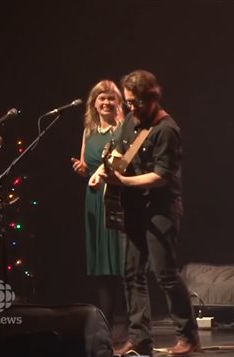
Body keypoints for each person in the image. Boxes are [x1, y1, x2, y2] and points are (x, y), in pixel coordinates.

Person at [89, 69, 199, 356]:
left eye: (137, 103)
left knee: (165, 274)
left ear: (152, 99)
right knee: (132, 273)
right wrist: (103, 172)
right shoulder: (129, 122)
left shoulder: (166, 129)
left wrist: (124, 182)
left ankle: (188, 335)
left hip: (161, 208)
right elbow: (119, 154)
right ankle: (140, 340)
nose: (132, 108)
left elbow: (161, 176)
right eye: (129, 102)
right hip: (135, 209)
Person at [70, 80, 126, 332]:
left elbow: (124, 164)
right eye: (101, 98)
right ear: (94, 103)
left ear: (118, 102)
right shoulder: (89, 131)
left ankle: (126, 325)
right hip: (93, 199)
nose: (106, 103)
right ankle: (105, 325)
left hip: (115, 198)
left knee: (120, 262)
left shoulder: (123, 129)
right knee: (101, 265)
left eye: (111, 98)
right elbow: (86, 166)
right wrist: (82, 169)